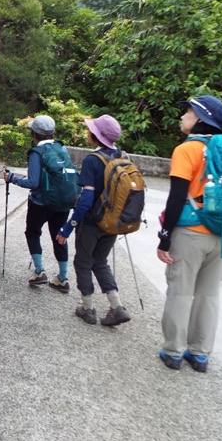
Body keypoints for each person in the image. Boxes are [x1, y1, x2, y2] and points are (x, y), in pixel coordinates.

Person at [156, 95, 222, 372]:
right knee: (209, 295)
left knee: (180, 293)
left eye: (188, 112)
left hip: (191, 233)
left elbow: (177, 197)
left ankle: (174, 352)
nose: (182, 117)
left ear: (200, 119)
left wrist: (164, 238)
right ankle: (201, 354)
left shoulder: (187, 150)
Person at [56, 115, 131, 327]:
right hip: (114, 222)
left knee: (83, 262)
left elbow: (87, 198)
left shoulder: (92, 160)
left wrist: (69, 226)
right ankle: (117, 307)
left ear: (95, 136)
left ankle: (88, 309)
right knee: (100, 261)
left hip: (92, 223)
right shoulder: (123, 156)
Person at [4, 115, 71, 291]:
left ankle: (40, 272)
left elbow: (33, 183)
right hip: (62, 203)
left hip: (40, 203)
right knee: (59, 237)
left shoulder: (36, 153)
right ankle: (63, 278)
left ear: (34, 134)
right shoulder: (61, 148)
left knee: (33, 233)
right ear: (52, 133)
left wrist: (12, 179)